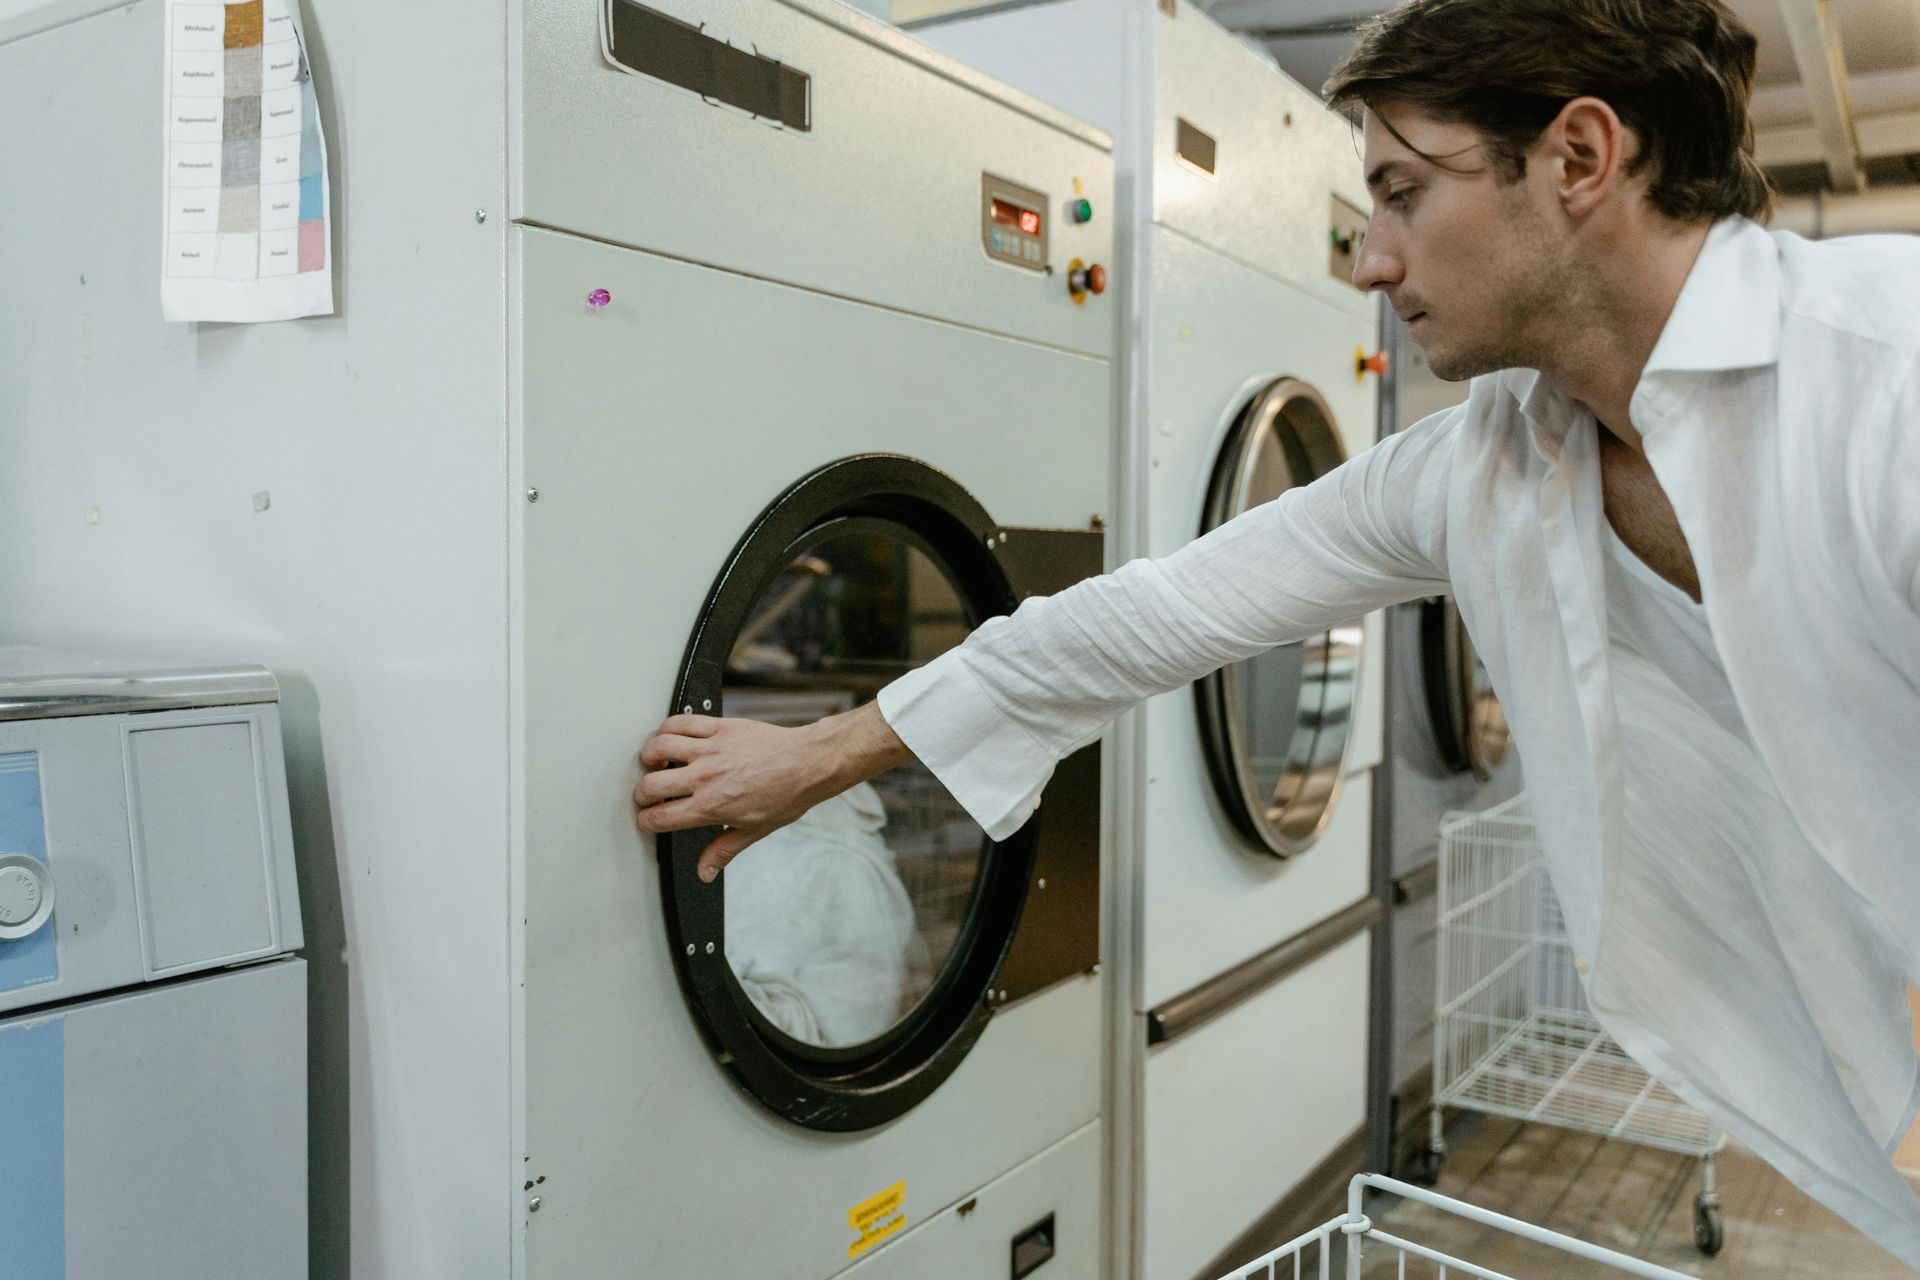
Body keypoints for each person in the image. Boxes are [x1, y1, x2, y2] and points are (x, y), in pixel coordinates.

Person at [635, 0, 1920, 1261]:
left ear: (1580, 157)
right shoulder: (1486, 466)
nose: (1370, 261)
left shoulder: (1884, 381)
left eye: (1406, 193)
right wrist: (832, 749)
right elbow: (1162, 611)